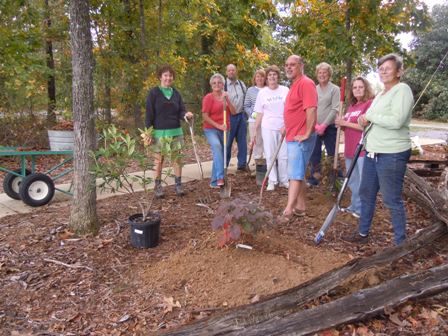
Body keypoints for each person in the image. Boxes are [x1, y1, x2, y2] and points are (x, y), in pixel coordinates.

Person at [343, 53, 414, 245]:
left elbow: (397, 121)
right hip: (372, 151)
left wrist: (370, 118)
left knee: (392, 199)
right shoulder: (381, 94)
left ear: (399, 71)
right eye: (381, 69)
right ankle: (363, 233)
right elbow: (368, 117)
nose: (383, 72)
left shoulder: (402, 90)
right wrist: (362, 119)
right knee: (366, 194)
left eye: (388, 68)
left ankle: (400, 243)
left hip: (392, 153)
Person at [145, 65, 193, 198]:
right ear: (160, 77)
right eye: (165, 75)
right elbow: (149, 114)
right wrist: (148, 132)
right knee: (158, 161)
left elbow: (181, 111)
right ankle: (158, 187)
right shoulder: (154, 93)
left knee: (176, 160)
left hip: (175, 132)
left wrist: (186, 115)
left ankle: (178, 185)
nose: (168, 78)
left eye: (170, 75)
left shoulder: (176, 93)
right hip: (159, 134)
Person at [282, 55, 318, 219]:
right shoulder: (294, 85)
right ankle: (301, 206)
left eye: (293, 65)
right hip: (292, 134)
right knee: (299, 171)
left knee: (294, 174)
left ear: (301, 66)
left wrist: (307, 133)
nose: (289, 67)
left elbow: (311, 109)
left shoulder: (306, 83)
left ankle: (288, 210)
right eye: (287, 65)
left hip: (301, 137)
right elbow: (294, 110)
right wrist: (286, 126)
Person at [335, 77, 374, 218]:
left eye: (361, 87)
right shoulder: (351, 107)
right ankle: (354, 206)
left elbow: (364, 126)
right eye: (355, 87)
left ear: (366, 88)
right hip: (349, 149)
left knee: (363, 181)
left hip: (362, 149)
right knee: (352, 180)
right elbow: (348, 127)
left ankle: (363, 210)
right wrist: (341, 124)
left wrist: (345, 123)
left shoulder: (369, 104)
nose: (357, 89)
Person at [252, 65, 289, 190]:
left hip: (283, 127)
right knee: (270, 154)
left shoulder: (285, 90)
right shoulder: (262, 93)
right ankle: (272, 181)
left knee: (284, 155)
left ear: (278, 76)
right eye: (270, 75)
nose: (272, 77)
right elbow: (259, 113)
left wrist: (287, 125)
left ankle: (284, 179)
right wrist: (254, 131)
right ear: (266, 78)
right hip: (267, 127)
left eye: (274, 74)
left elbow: (290, 110)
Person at [308, 62, 340, 186]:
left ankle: (333, 179)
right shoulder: (313, 89)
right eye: (320, 73)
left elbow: (335, 108)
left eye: (325, 72)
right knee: (314, 153)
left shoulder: (335, 89)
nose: (322, 75)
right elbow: (311, 107)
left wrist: (324, 125)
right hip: (315, 126)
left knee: (332, 152)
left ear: (329, 74)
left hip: (330, 126)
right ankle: (314, 178)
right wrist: (315, 125)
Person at [202, 73, 236, 188]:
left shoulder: (226, 96)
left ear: (223, 84)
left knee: (220, 154)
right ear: (211, 85)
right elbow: (205, 116)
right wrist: (218, 125)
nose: (217, 84)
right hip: (211, 129)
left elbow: (234, 112)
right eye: (214, 83)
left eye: (219, 82)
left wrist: (227, 100)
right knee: (217, 147)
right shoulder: (208, 98)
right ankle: (220, 177)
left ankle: (213, 182)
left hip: (225, 129)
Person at [225, 64, 248, 171]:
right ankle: (224, 164)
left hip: (241, 116)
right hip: (229, 117)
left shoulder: (241, 84)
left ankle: (242, 164)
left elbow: (246, 99)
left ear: (236, 71)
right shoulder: (223, 85)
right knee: (228, 141)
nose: (231, 72)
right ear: (226, 72)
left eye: (233, 70)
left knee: (242, 141)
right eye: (229, 70)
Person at [244, 69, 266, 164]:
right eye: (257, 76)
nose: (259, 78)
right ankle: (258, 165)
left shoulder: (269, 89)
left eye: (261, 76)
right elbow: (246, 105)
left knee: (266, 141)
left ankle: (267, 165)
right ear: (254, 78)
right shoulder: (250, 90)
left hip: (266, 120)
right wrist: (253, 114)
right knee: (256, 142)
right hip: (253, 120)